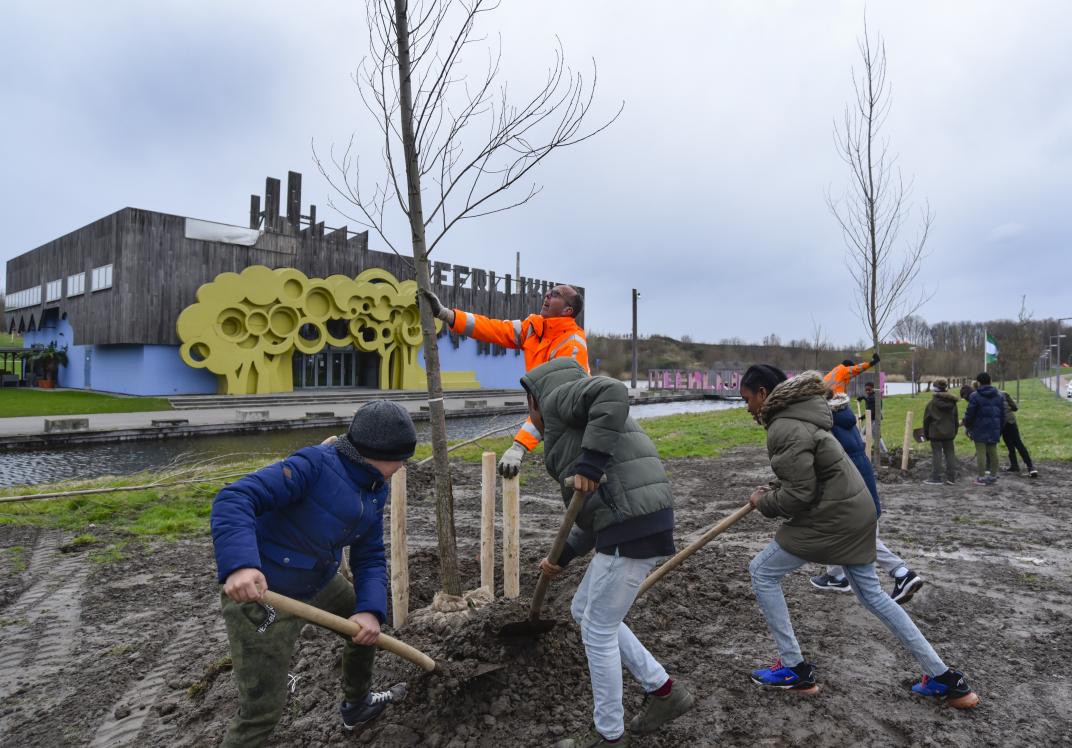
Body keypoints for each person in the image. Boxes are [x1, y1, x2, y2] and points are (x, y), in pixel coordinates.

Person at [740, 365, 979, 708]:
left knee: (761, 572)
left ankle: (793, 668)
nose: (746, 407)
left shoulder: (783, 425)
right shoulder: (803, 415)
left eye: (747, 399)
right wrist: (776, 487)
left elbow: (800, 495)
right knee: (874, 596)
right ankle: (945, 679)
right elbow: (810, 474)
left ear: (763, 394)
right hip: (855, 512)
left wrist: (765, 502)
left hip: (834, 518)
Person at [210, 401, 415, 746]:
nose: (402, 466)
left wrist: (369, 609)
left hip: (318, 583)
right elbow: (235, 498)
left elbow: (370, 554)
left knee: (365, 629)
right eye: (400, 458)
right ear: (377, 454)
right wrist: (241, 565)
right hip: (264, 598)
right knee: (261, 712)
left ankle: (357, 705)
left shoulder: (373, 488)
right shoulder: (314, 465)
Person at [521, 358, 694, 747]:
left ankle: (608, 734)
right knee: (585, 612)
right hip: (633, 522)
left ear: (534, 398)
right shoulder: (576, 423)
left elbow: (612, 390)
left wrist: (591, 463)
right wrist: (561, 557)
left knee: (597, 630)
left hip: (632, 528)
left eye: (527, 405)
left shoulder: (560, 399)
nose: (529, 416)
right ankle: (664, 692)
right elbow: (593, 514)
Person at [421, 284, 588, 478]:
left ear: (568, 310)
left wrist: (519, 446)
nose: (547, 295)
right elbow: (493, 328)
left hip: (575, 430)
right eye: (549, 292)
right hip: (552, 426)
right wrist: (446, 314)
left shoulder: (572, 346)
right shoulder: (533, 328)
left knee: (581, 486)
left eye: (555, 295)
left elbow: (554, 406)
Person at [809, 388, 924, 604]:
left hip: (850, 486)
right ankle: (836, 576)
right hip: (863, 480)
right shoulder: (843, 417)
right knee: (840, 531)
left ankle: (901, 573)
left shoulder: (827, 424)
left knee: (859, 535)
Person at [963, 372, 1005, 485]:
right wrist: (1000, 427)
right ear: (990, 381)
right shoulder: (1000, 395)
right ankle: (993, 476)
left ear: (978, 382)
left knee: (981, 452)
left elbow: (970, 414)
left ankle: (981, 477)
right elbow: (1003, 414)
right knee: (993, 451)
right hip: (994, 427)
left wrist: (967, 425)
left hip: (979, 428)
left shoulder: (974, 396)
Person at [922, 378, 960, 485]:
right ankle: (951, 478)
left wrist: (926, 434)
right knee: (950, 454)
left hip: (935, 433)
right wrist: (954, 431)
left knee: (937, 454)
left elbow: (926, 420)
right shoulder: (953, 403)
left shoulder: (931, 404)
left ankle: (936, 477)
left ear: (935, 389)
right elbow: (956, 419)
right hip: (949, 433)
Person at [999, 389, 1038, 478]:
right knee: (1017, 443)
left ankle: (989, 467)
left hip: (999, 421)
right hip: (1010, 420)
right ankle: (1030, 467)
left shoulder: (985, 395)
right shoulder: (1004, 393)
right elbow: (1015, 408)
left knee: (993, 443)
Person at [856, 381, 889, 460]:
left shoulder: (873, 398)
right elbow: (867, 398)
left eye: (869, 390)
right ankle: (866, 450)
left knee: (873, 435)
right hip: (871, 419)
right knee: (866, 434)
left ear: (873, 389)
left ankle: (884, 451)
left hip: (875, 419)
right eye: (866, 390)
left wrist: (862, 417)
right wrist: (863, 398)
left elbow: (871, 411)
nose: (867, 391)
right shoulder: (872, 396)